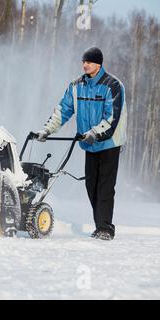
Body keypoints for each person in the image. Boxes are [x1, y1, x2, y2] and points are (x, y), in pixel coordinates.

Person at [35, 47, 127, 241]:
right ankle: (99, 225)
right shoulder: (77, 86)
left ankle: (105, 228)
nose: (84, 65)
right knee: (91, 185)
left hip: (109, 143)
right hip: (89, 144)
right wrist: (47, 130)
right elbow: (63, 110)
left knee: (105, 186)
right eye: (83, 61)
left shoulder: (113, 85)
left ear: (98, 64)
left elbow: (112, 117)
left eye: (89, 62)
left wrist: (95, 132)